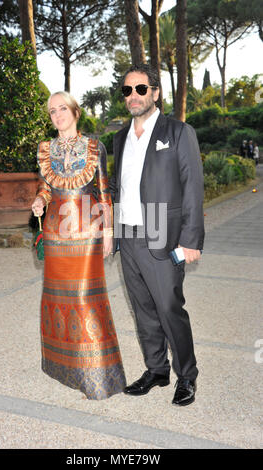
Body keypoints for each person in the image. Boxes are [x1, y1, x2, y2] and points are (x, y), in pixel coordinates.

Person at [110, 64, 205, 407]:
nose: (133, 96)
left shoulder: (178, 132)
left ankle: (187, 376)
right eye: (127, 90)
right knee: (143, 309)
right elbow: (117, 188)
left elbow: (193, 187)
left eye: (140, 89)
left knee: (168, 308)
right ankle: (156, 370)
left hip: (162, 233)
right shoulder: (120, 138)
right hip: (129, 235)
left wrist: (191, 240)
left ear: (155, 92)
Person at [31, 91, 126, 400]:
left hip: (87, 232)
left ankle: (98, 377)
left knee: (85, 298)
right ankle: (62, 368)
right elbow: (46, 187)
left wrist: (109, 232)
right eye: (52, 111)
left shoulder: (95, 147)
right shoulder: (44, 149)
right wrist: (39, 200)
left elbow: (103, 192)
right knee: (59, 298)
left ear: (75, 111)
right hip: (56, 234)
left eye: (62, 108)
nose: (57, 115)